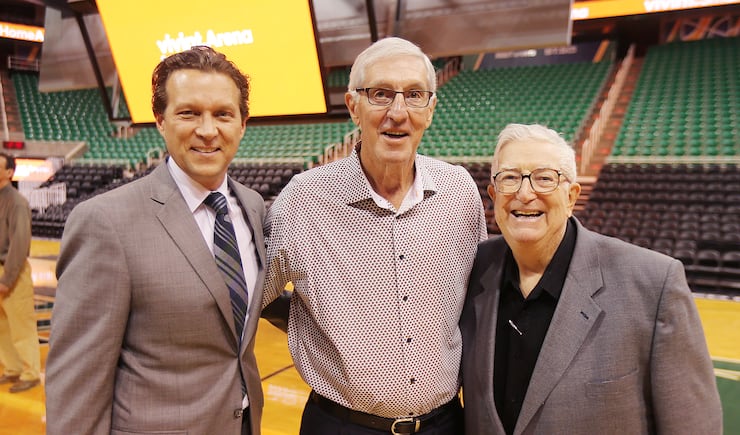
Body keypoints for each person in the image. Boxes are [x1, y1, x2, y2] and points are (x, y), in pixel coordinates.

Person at [263, 36, 488, 435]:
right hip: (341, 426)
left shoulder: (460, 192)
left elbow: (476, 304)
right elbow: (249, 300)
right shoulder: (303, 199)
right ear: (354, 106)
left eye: (414, 95)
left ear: (430, 110)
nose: (397, 113)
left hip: (445, 424)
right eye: (381, 94)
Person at [46, 46, 266, 435]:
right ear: (161, 122)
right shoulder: (105, 221)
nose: (207, 130)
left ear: (242, 124)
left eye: (223, 114)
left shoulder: (252, 206)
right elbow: (77, 383)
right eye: (189, 113)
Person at [460, 123, 722, 434]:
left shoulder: (654, 284)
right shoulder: (474, 269)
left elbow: (693, 426)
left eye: (544, 178)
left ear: (571, 196)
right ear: (493, 195)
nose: (525, 193)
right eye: (510, 178)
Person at [0, 152, 41, 394]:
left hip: (12, 269)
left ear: (9, 172)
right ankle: (12, 368)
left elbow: (20, 243)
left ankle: (30, 373)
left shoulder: (16, 202)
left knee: (21, 325)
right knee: (2, 325)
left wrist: (7, 278)